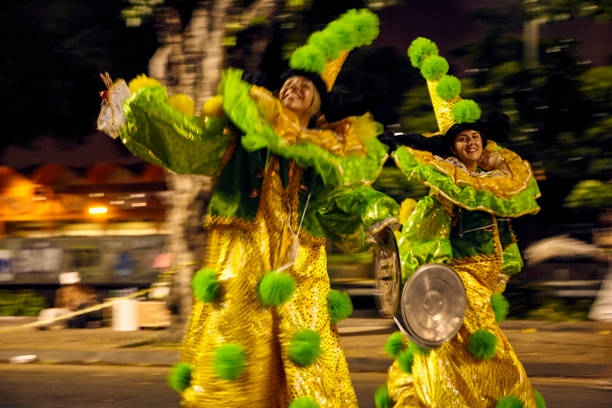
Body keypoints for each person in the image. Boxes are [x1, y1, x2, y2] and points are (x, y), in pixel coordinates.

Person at [98, 9, 398, 408]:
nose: (293, 86)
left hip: (301, 267)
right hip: (241, 258)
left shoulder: (328, 156)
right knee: (236, 350)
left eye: (305, 86)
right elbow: (187, 142)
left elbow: (342, 206)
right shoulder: (241, 133)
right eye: (289, 82)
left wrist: (376, 215)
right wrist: (133, 110)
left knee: (308, 356)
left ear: (317, 106)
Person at [375, 37, 545, 408]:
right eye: (463, 138)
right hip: (457, 279)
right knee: (479, 346)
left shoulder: (494, 185)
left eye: (475, 137)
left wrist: (505, 267)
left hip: (485, 280)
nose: (470, 143)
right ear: (451, 147)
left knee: (468, 350)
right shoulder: (448, 188)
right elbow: (427, 234)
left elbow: (503, 231)